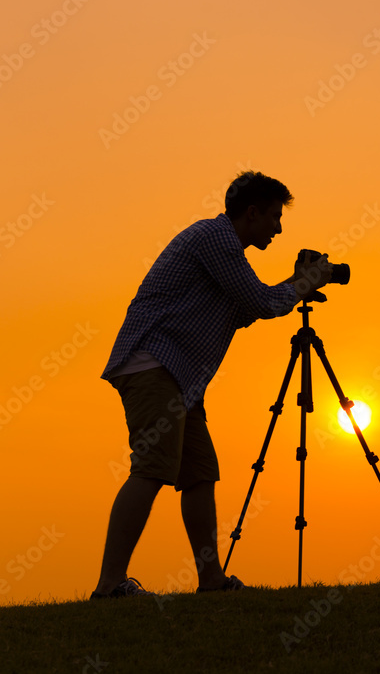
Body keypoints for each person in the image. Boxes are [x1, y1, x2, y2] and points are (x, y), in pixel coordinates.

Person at [90, 171, 332, 598]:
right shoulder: (215, 239)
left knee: (200, 473)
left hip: (181, 376)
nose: (279, 228)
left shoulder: (226, 253)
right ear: (251, 213)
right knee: (153, 467)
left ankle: (212, 580)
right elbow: (261, 302)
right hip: (155, 365)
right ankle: (109, 584)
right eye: (275, 217)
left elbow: (250, 306)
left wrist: (296, 285)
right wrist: (304, 283)